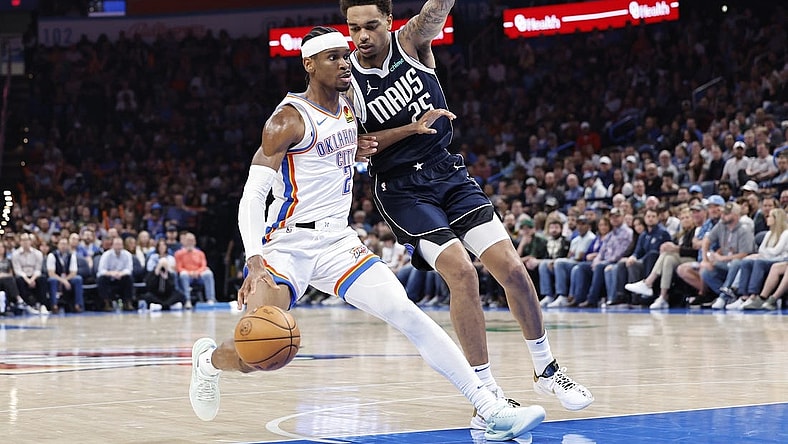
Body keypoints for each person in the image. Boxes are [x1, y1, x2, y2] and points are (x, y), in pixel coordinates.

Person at [188, 27, 544, 441]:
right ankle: (209, 362)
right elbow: (253, 197)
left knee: (408, 313)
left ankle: (488, 407)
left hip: (338, 242)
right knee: (258, 353)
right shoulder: (286, 119)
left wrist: (412, 129)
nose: (344, 62)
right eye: (333, 58)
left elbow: (363, 142)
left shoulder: (349, 104)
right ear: (309, 65)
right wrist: (253, 259)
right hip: (287, 245)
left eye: (345, 55)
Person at [340, 0, 593, 418]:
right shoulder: (348, 81)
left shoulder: (411, 42)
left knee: (511, 268)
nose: (362, 37)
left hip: (448, 173)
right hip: (402, 190)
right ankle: (486, 393)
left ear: (388, 21)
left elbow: (436, 9)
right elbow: (357, 148)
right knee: (461, 270)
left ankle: (547, 368)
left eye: (370, 26)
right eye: (353, 29)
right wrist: (409, 129)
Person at [625, 207, 698, 309]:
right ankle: (661, 297)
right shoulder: (681, 234)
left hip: (694, 259)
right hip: (676, 259)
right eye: (682, 218)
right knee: (667, 257)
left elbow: (695, 252)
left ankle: (649, 284)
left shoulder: (696, 231)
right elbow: (637, 251)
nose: (685, 220)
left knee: (664, 256)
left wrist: (676, 249)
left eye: (687, 217)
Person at [174, 232, 216, 308]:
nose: (190, 242)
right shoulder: (178, 253)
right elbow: (178, 267)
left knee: (208, 273)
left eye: (192, 240)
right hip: (187, 276)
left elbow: (203, 266)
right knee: (183, 274)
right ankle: (187, 300)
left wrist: (197, 272)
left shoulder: (200, 253)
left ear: (195, 242)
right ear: (184, 241)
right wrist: (189, 273)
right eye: (188, 240)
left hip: (199, 275)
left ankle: (210, 299)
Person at [46, 237, 84, 313]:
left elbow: (73, 272)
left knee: (78, 279)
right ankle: (54, 305)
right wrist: (63, 281)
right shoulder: (52, 255)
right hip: (56, 277)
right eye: (62, 244)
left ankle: (78, 305)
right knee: (52, 280)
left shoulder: (71, 256)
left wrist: (65, 280)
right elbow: (51, 273)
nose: (64, 246)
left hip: (68, 278)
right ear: (58, 245)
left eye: (65, 244)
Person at [96, 237, 135, 312]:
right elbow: (101, 270)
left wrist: (121, 273)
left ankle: (127, 303)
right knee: (101, 279)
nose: (118, 247)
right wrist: (112, 273)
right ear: (112, 245)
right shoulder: (106, 255)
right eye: (116, 244)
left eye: (120, 244)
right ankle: (106, 303)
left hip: (121, 277)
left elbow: (129, 269)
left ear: (123, 246)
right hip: (109, 278)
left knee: (129, 278)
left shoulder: (127, 255)